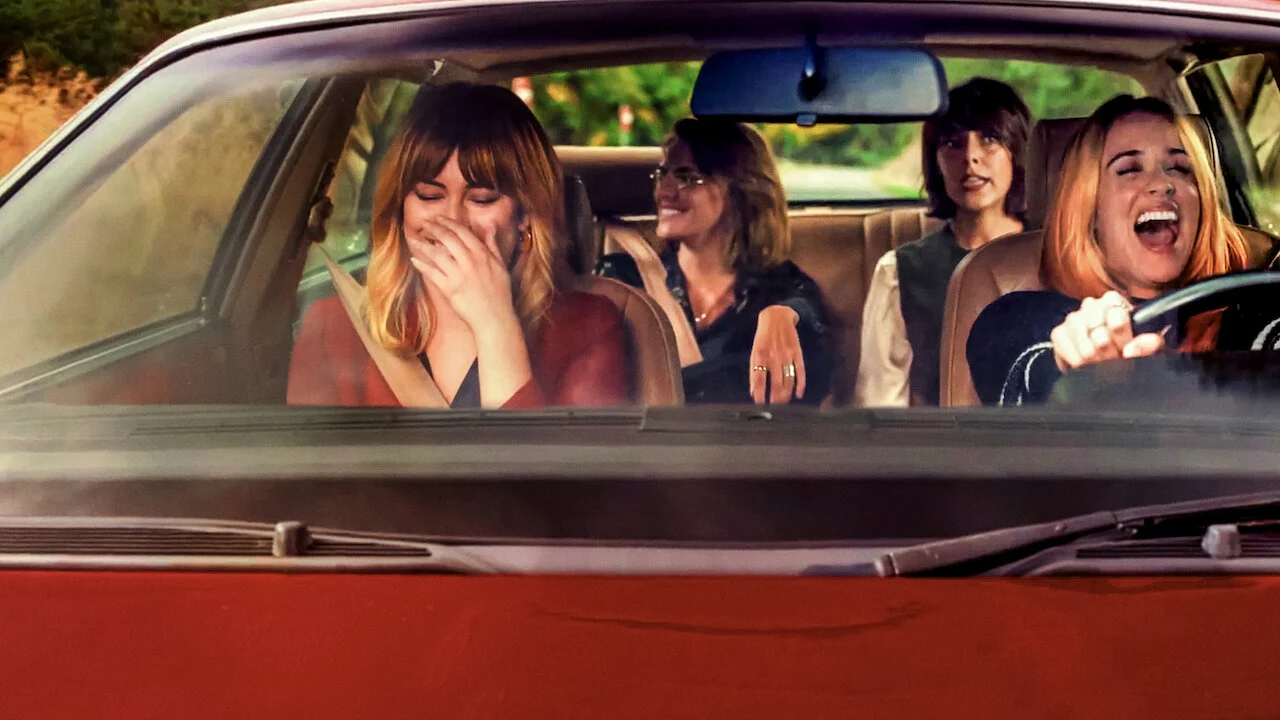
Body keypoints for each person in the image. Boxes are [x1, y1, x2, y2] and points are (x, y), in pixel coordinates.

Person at [288, 82, 628, 409]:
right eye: (429, 195)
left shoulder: (587, 327)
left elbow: (557, 454)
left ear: (525, 214)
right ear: (400, 208)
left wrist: (496, 326)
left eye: (482, 199)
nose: (452, 220)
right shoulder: (334, 326)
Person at [967, 94, 1277, 406]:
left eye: (1180, 168)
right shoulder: (1018, 317)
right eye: (1129, 169)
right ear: (1091, 210)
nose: (1163, 183)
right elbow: (1026, 370)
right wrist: (1074, 369)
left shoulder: (1250, 311)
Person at [597, 118, 832, 405]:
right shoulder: (623, 279)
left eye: (686, 177)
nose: (664, 192)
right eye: (662, 175)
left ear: (738, 191)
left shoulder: (781, 288)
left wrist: (783, 315)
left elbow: (812, 340)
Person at [856, 78, 1032, 407]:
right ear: (935, 162)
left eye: (990, 139)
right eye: (953, 143)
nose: (971, 157)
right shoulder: (899, 273)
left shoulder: (1064, 254)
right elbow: (882, 404)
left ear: (1017, 152)